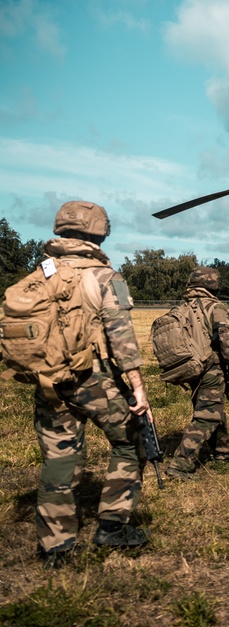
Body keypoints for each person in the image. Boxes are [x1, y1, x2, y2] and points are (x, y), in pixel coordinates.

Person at [9, 201, 151, 567]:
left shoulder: (40, 274)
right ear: (98, 232)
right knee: (130, 443)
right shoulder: (104, 276)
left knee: (59, 458)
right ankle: (113, 527)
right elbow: (121, 338)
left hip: (50, 380)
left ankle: (55, 547)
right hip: (94, 379)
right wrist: (137, 386)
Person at [166, 267, 229, 479]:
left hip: (191, 367)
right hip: (210, 366)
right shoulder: (215, 307)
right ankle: (181, 463)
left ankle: (224, 451)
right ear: (214, 286)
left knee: (209, 408)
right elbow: (226, 340)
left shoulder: (183, 307)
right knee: (207, 415)